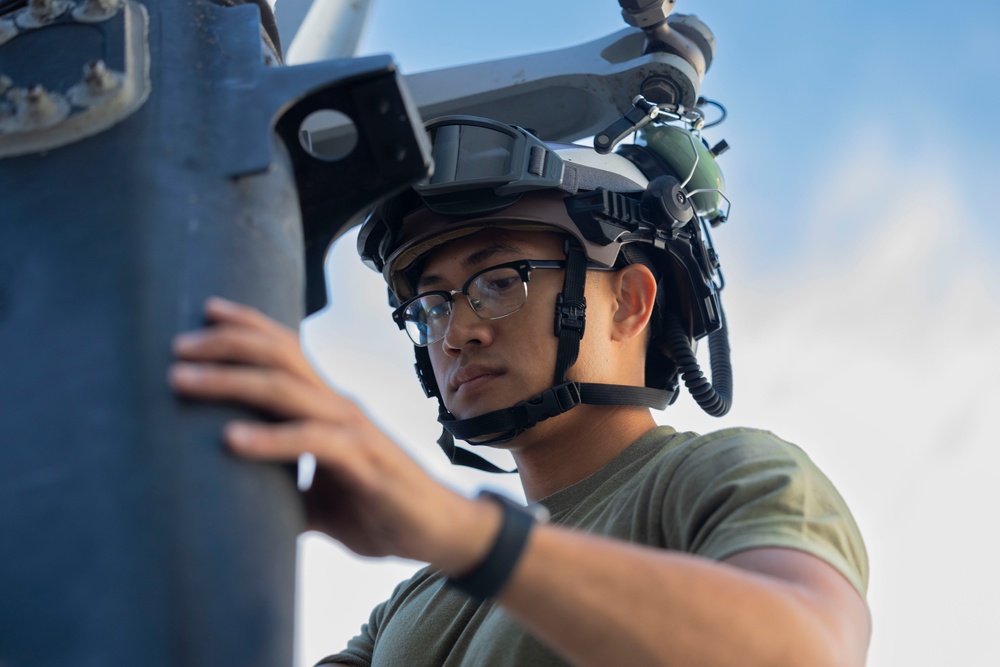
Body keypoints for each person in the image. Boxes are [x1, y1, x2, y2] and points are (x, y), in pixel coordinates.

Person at [170, 114, 870, 666]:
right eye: (434, 305)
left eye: (498, 282)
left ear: (629, 301)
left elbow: (808, 646)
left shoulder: (719, 475)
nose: (456, 333)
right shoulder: (416, 600)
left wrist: (457, 528)